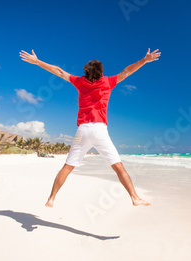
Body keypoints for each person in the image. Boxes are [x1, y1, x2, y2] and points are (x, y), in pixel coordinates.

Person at [20, 48, 161, 207]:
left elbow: (59, 72)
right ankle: (135, 197)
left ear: (86, 72)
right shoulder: (107, 82)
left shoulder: (80, 82)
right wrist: (144, 60)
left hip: (83, 130)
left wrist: (37, 61)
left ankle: (51, 198)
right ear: (101, 72)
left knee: (68, 166)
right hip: (100, 130)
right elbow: (126, 71)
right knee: (118, 167)